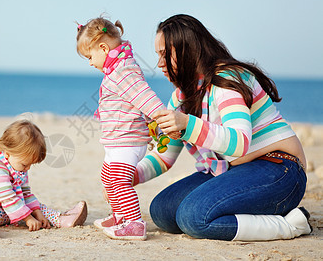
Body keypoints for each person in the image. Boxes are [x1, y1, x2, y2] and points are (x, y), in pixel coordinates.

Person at [132, 14, 312, 241]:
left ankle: (291, 225)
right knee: (163, 211)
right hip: (234, 171)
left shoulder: (226, 79)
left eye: (165, 54)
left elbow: (239, 142)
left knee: (194, 217)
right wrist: (127, 177)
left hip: (280, 170)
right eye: (158, 55)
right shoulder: (180, 98)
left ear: (188, 50)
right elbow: (164, 157)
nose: (159, 64)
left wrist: (187, 124)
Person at [76, 17, 169, 240]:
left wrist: (162, 119)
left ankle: (134, 223)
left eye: (90, 57)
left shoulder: (123, 71)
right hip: (118, 139)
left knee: (119, 180)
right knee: (108, 176)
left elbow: (144, 96)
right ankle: (120, 216)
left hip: (128, 139)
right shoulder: (117, 68)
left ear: (103, 47)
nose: (90, 63)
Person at [0, 120, 87, 239]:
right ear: (8, 153)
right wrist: (28, 218)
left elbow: (25, 194)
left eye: (30, 165)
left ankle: (61, 220)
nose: (27, 169)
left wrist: (37, 213)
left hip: (1, 207)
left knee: (36, 206)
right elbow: (8, 197)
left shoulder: (19, 168)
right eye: (25, 164)